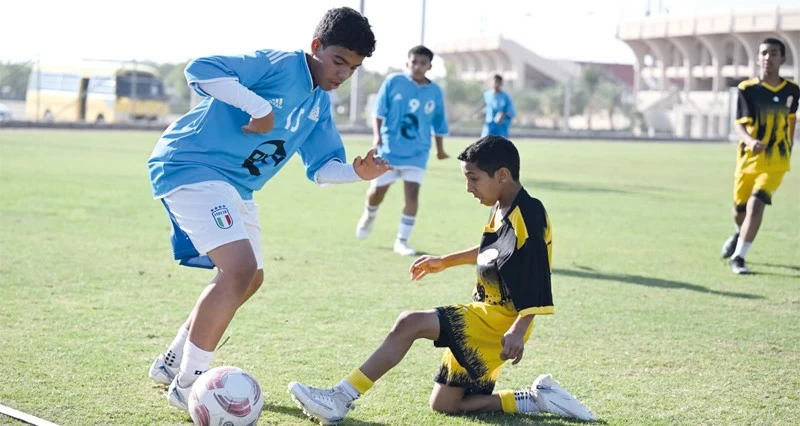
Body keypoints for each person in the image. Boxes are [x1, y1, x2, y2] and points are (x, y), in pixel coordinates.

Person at [145, 7, 386, 411]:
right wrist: (259, 107)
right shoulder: (278, 64)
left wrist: (358, 173)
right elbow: (200, 70)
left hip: (235, 187)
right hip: (191, 164)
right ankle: (189, 386)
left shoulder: (319, 104)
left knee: (251, 277)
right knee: (237, 270)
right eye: (338, 61)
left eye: (353, 68)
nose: (343, 74)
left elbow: (322, 169)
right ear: (316, 48)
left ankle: (172, 361)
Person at [289, 136, 595, 424]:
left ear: (502, 175)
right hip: (489, 317)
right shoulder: (502, 207)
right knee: (445, 404)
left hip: (497, 322)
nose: (468, 188)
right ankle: (537, 399)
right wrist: (444, 262)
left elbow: (538, 272)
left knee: (410, 322)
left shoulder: (529, 212)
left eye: (473, 178)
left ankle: (340, 396)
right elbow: (492, 250)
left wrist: (519, 329)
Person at [355, 45, 449, 256]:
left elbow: (439, 122)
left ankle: (402, 241)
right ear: (407, 62)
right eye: (414, 62)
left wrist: (440, 150)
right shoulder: (393, 82)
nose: (417, 66)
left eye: (422, 63)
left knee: (413, 195)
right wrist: (377, 136)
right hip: (390, 149)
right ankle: (369, 214)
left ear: (429, 66)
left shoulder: (434, 92)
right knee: (377, 192)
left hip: (418, 152)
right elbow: (379, 111)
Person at [720, 37, 798, 274]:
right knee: (739, 210)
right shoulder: (747, 90)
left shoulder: (793, 91)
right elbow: (740, 125)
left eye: (774, 54)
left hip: (776, 162)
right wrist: (751, 141)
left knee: (756, 205)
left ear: (782, 58)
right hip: (747, 161)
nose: (768, 58)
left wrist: (788, 149)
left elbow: (791, 122)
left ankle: (739, 258)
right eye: (764, 53)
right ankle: (738, 232)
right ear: (757, 58)